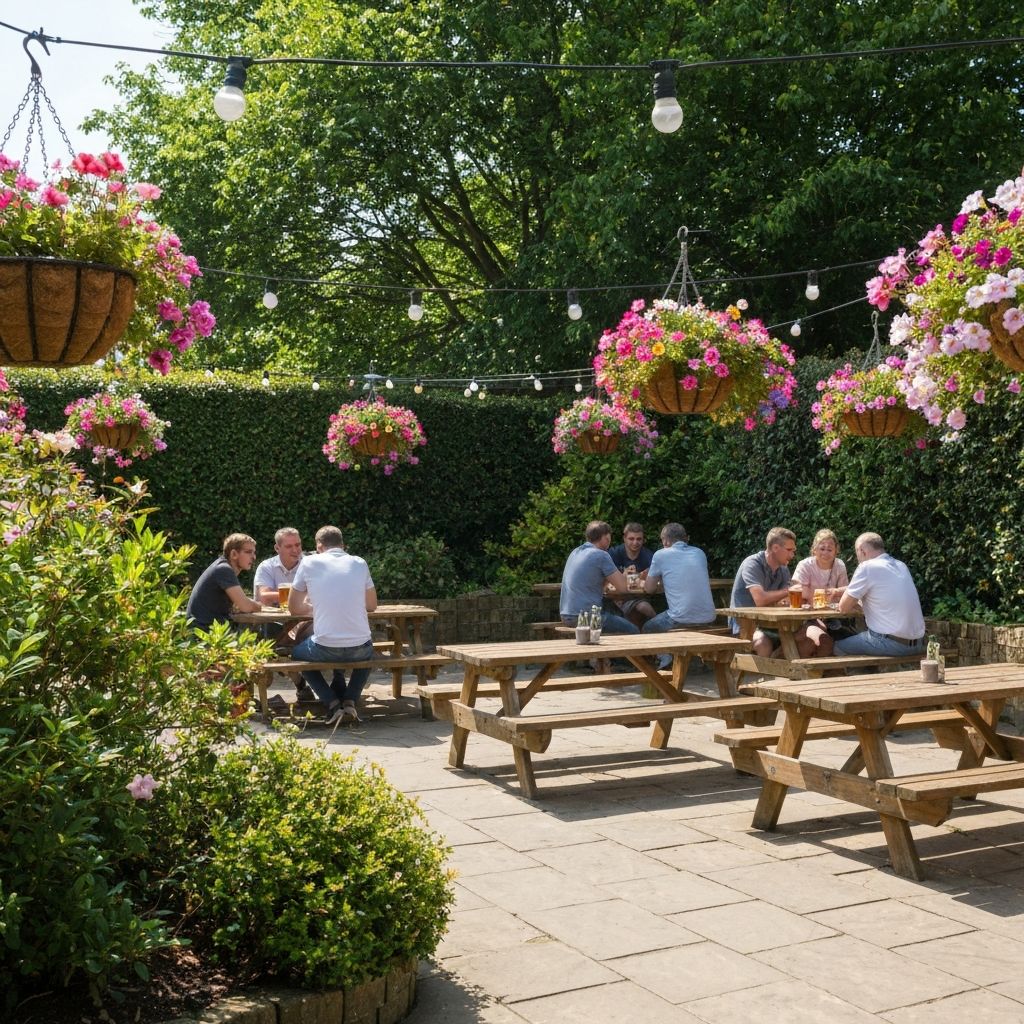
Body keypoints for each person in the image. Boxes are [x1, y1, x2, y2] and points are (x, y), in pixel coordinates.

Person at [289, 525, 377, 725]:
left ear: (319, 546)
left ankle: (331, 702)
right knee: (370, 651)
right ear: (343, 545)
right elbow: (372, 605)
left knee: (296, 655)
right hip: (360, 648)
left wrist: (316, 607)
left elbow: (293, 608)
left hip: (325, 647)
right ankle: (350, 700)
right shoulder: (359, 563)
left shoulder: (309, 562)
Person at [729, 526, 832, 658]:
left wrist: (801, 601)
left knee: (812, 638)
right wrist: (788, 591)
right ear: (775, 548)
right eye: (789, 550)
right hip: (746, 625)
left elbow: (784, 601)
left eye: (793, 551)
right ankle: (767, 676)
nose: (792, 555)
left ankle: (785, 668)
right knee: (763, 644)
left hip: (774, 624)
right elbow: (760, 600)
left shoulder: (783, 569)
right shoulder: (752, 564)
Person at [834, 532, 926, 656]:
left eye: (857, 555)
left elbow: (843, 607)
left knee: (837, 647)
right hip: (919, 644)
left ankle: (862, 675)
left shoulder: (866, 567)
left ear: (862, 551)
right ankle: (868, 673)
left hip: (890, 643)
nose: (858, 560)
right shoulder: (901, 565)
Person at [559, 520, 639, 634]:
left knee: (615, 614)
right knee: (633, 630)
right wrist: (625, 576)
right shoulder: (601, 555)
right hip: (587, 617)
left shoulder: (575, 552)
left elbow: (596, 583)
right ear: (606, 537)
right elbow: (623, 588)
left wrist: (616, 576)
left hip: (566, 615)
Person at [185, 533, 263, 631]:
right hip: (203, 635)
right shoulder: (223, 570)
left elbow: (240, 604)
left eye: (254, 552)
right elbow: (245, 606)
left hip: (207, 631)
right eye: (248, 552)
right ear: (234, 554)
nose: (254, 557)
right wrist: (258, 606)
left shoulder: (222, 568)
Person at [608, 521, 657, 627]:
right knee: (641, 607)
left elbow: (654, 585)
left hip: (640, 597)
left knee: (642, 606)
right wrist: (622, 576)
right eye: (631, 539)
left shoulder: (650, 556)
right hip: (616, 599)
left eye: (639, 539)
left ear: (643, 540)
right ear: (624, 538)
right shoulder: (613, 553)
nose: (635, 542)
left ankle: (655, 627)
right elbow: (605, 582)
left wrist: (644, 577)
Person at [253, 527, 304, 604]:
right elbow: (264, 597)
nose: (295, 550)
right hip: (273, 615)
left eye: (297, 545)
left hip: (305, 614)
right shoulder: (267, 566)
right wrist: (301, 595)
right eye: (289, 546)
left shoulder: (310, 564)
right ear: (277, 548)